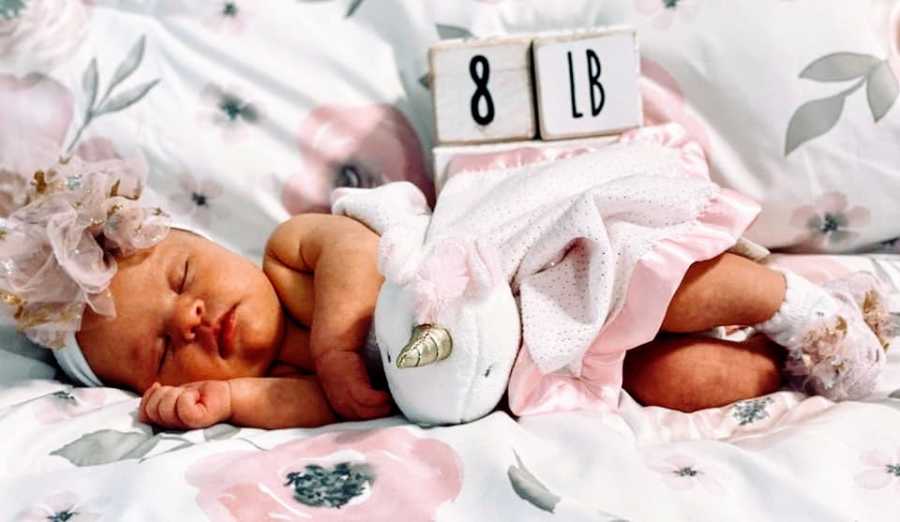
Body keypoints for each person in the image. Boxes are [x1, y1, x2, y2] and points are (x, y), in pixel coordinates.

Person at [2, 132, 890, 430]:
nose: (192, 318)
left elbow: (359, 255)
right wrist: (232, 407)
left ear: (212, 245)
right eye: (163, 347)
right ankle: (788, 366)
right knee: (684, 381)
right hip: (524, 369)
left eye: (185, 278)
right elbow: (327, 406)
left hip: (506, 267)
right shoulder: (282, 379)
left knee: (663, 286)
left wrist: (346, 341)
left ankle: (801, 308)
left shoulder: (289, 253)